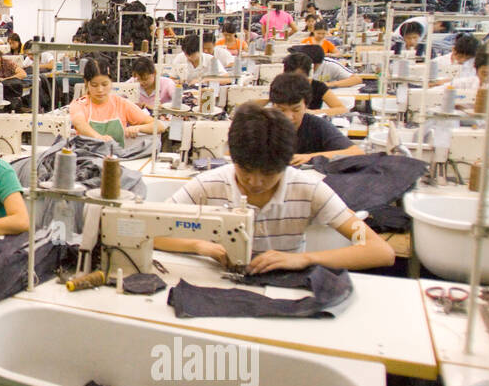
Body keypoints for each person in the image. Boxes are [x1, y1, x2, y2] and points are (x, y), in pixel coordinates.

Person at [155, 103, 395, 273]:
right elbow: (151, 231)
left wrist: (303, 259)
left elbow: (379, 250)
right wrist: (198, 246)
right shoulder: (208, 185)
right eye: (246, 172)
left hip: (285, 289)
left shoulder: (308, 190)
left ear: (286, 163)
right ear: (232, 158)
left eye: (268, 174)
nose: (256, 183)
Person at [269, 73, 360, 165]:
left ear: (306, 106)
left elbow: (356, 153)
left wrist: (310, 157)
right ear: (272, 105)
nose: (289, 117)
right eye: (281, 110)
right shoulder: (263, 126)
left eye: (296, 110)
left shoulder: (316, 125)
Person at [69, 58, 166, 142]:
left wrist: (138, 128)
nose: (100, 90)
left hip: (118, 158)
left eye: (105, 84)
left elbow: (159, 126)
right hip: (88, 158)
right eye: (94, 85)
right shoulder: (79, 104)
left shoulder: (121, 103)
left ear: (111, 82)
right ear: (86, 82)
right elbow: (80, 124)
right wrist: (98, 137)